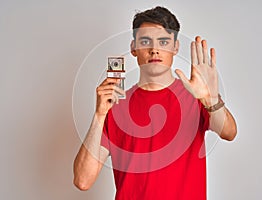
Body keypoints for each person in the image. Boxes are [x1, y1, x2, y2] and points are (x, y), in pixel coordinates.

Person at [73, 6, 237, 200]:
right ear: (133, 48)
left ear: (175, 48)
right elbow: (83, 180)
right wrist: (100, 115)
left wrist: (210, 98)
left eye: (163, 41)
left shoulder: (196, 97)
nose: (154, 49)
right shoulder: (114, 107)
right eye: (145, 41)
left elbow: (229, 133)